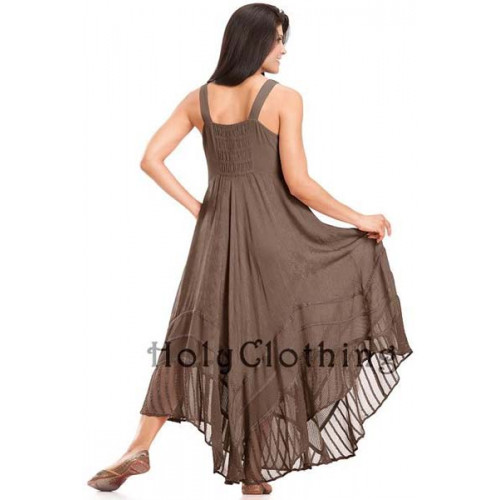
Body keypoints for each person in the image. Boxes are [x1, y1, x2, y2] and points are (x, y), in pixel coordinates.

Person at [87, 3, 413, 495]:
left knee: (189, 339)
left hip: (215, 239)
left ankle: (141, 445)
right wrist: (358, 218)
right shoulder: (284, 99)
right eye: (278, 39)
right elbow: (299, 184)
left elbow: (151, 159)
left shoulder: (198, 100)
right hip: (275, 237)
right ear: (256, 41)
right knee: (268, 343)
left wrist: (201, 210)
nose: (284, 49)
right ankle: (255, 471)